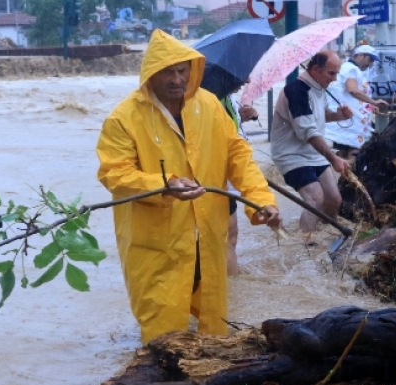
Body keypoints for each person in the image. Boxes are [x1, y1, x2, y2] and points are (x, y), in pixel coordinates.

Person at [96, 30, 282, 344]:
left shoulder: (209, 106)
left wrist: (260, 199)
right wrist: (163, 186)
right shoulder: (124, 118)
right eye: (168, 71)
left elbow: (238, 156)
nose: (176, 79)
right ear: (150, 73)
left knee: (213, 328)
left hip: (207, 233)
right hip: (158, 241)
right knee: (162, 331)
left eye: (182, 70)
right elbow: (115, 175)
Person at [270, 50, 354, 242]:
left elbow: (322, 114)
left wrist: (338, 115)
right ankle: (306, 245)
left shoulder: (319, 87)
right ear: (316, 69)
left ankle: (332, 236)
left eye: (336, 74)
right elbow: (308, 132)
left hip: (313, 153)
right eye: (331, 73)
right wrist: (333, 158)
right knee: (315, 199)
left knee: (334, 199)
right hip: (291, 156)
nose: (334, 79)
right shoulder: (296, 91)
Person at [218, 81, 258, 276]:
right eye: (242, 77)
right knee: (226, 238)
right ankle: (230, 291)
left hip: (232, 173)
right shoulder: (210, 100)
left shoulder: (228, 98)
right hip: (218, 177)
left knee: (230, 237)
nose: (246, 81)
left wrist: (241, 117)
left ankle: (232, 288)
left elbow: (232, 135)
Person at [325, 45, 389, 159]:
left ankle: (347, 175)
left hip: (350, 118)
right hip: (352, 120)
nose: (370, 64)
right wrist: (373, 102)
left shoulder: (349, 68)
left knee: (344, 151)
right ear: (360, 55)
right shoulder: (351, 69)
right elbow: (352, 90)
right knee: (355, 149)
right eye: (370, 59)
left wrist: (368, 106)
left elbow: (350, 95)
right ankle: (354, 175)